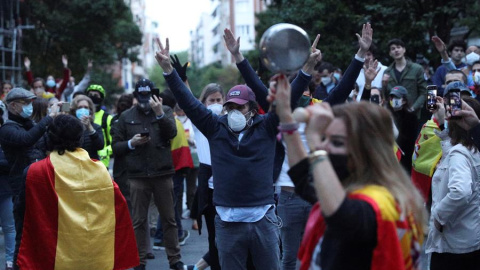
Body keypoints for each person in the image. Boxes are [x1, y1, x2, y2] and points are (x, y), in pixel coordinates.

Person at [269, 75, 425, 270]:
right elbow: (305, 179)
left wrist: (315, 140)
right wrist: (285, 116)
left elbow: (341, 215)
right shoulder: (353, 190)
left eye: (336, 142)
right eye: (325, 138)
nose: (324, 148)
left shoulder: (379, 204)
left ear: (364, 151)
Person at [157, 37, 281, 270]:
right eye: (230, 107)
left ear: (252, 109)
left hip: (263, 219)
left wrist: (239, 59)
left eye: (240, 107)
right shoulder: (216, 127)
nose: (234, 111)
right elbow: (190, 103)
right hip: (227, 221)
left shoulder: (266, 127)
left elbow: (278, 100)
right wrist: (168, 71)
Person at [15, 114, 138, 270]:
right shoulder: (99, 169)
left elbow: (22, 216)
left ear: (49, 137)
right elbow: (116, 209)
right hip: (95, 255)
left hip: (51, 255)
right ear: (80, 138)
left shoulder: (35, 172)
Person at [111, 79, 185, 270]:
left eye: (148, 95)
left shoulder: (166, 111)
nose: (145, 100)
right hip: (137, 175)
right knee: (139, 221)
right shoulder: (125, 116)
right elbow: (115, 147)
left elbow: (172, 133)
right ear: (136, 96)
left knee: (169, 218)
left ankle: (174, 259)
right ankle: (140, 261)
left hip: (162, 173)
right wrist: (131, 143)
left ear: (153, 95)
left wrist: (159, 113)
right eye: (141, 96)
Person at [425, 96, 480, 269]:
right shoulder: (471, 149)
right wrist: (442, 122)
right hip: (467, 241)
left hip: (454, 247)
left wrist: (438, 217)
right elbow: (450, 148)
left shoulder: (459, 154)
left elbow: (460, 191)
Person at [383, 38, 427, 120]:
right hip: (395, 115)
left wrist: (414, 107)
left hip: (413, 114)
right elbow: (385, 97)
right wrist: (384, 85)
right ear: (390, 53)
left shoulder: (417, 69)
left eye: (398, 47)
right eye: (393, 49)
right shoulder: (387, 72)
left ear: (404, 50)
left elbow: (424, 92)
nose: (396, 50)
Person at [111, 93, 135, 210]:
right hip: (123, 170)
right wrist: (132, 142)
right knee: (127, 203)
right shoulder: (116, 121)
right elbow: (116, 146)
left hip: (136, 169)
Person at [85, 84, 113, 168]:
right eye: (90, 95)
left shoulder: (107, 118)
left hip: (101, 163)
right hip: (84, 162)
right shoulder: (80, 115)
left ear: (101, 98)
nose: (93, 97)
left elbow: (114, 141)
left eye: (96, 95)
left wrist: (105, 151)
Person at [69, 95, 104, 160]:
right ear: (74, 110)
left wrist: (89, 127)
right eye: (79, 107)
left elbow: (100, 146)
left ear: (90, 110)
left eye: (86, 107)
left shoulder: (96, 127)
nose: (83, 110)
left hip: (91, 165)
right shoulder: (69, 127)